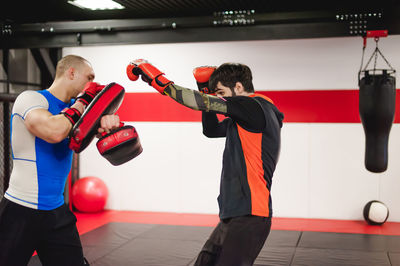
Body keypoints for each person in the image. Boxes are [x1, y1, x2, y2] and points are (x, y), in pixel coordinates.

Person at [127, 60, 284, 266]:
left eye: (220, 93)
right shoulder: (248, 117)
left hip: (250, 214)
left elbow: (198, 102)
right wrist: (204, 88)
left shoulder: (252, 106)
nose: (218, 98)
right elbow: (211, 130)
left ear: (238, 87)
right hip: (236, 213)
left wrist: (160, 83)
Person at [0, 55, 120, 266]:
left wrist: (110, 123)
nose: (91, 84)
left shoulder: (79, 109)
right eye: (89, 77)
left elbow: (102, 132)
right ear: (71, 72)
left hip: (57, 212)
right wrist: (84, 102)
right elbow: (54, 131)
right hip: (20, 210)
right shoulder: (31, 99)